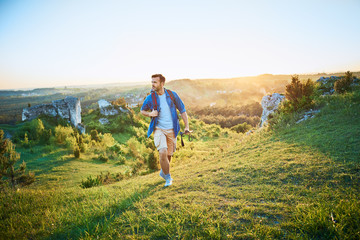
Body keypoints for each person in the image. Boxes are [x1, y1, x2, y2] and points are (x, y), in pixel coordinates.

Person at [140, 74, 190, 187]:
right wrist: (150, 114)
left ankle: (164, 172)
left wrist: (186, 126)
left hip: (172, 129)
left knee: (168, 155)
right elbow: (142, 110)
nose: (152, 84)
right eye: (152, 82)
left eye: (155, 82)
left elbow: (182, 110)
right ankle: (168, 178)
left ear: (162, 84)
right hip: (158, 129)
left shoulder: (172, 95)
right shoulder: (150, 98)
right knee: (162, 152)